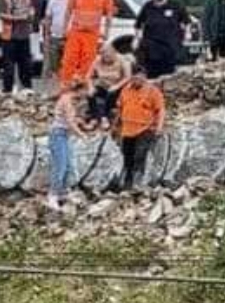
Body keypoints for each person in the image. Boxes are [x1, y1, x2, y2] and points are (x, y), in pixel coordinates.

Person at [116, 67, 166, 189]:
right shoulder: (125, 90)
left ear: (144, 77)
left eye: (139, 78)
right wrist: (116, 126)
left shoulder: (152, 91)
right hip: (127, 130)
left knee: (140, 154)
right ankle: (127, 182)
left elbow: (160, 110)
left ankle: (137, 182)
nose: (136, 81)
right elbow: (120, 108)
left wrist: (159, 127)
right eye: (134, 78)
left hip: (144, 128)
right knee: (127, 156)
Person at [47, 80, 91, 211]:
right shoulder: (67, 100)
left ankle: (64, 192)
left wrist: (83, 124)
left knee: (69, 165)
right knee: (60, 166)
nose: (87, 93)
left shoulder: (74, 101)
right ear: (80, 90)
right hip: (58, 135)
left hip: (65, 135)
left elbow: (73, 119)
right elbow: (70, 121)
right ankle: (53, 195)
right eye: (86, 90)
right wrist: (81, 135)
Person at [60, 0, 114, 84]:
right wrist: (64, 29)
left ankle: (81, 86)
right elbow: (68, 10)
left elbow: (109, 14)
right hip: (76, 33)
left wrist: (107, 32)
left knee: (87, 63)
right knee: (69, 60)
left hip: (91, 35)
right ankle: (66, 85)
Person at [135, 0, 191, 79]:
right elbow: (138, 25)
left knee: (169, 77)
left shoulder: (176, 5)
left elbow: (187, 22)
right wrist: (137, 38)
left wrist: (188, 33)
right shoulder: (147, 6)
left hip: (170, 48)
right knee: (152, 76)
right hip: (151, 49)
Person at [88, 43, 130, 130]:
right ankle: (94, 117)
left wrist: (117, 85)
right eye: (105, 57)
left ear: (114, 53)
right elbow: (88, 76)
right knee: (90, 94)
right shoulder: (97, 60)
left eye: (109, 56)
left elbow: (128, 77)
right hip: (103, 85)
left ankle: (104, 117)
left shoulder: (123, 60)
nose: (107, 59)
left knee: (111, 92)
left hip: (117, 86)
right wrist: (90, 86)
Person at [0, 0, 36, 95]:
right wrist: (19, 18)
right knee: (9, 65)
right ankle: (8, 89)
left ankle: (26, 87)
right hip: (9, 37)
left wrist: (31, 15)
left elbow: (31, 13)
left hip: (24, 36)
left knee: (25, 63)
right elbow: (1, 15)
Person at [39, 0, 71, 81]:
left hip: (70, 36)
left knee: (68, 63)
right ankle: (53, 81)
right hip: (54, 36)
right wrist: (46, 35)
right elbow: (48, 18)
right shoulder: (52, 1)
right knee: (53, 63)